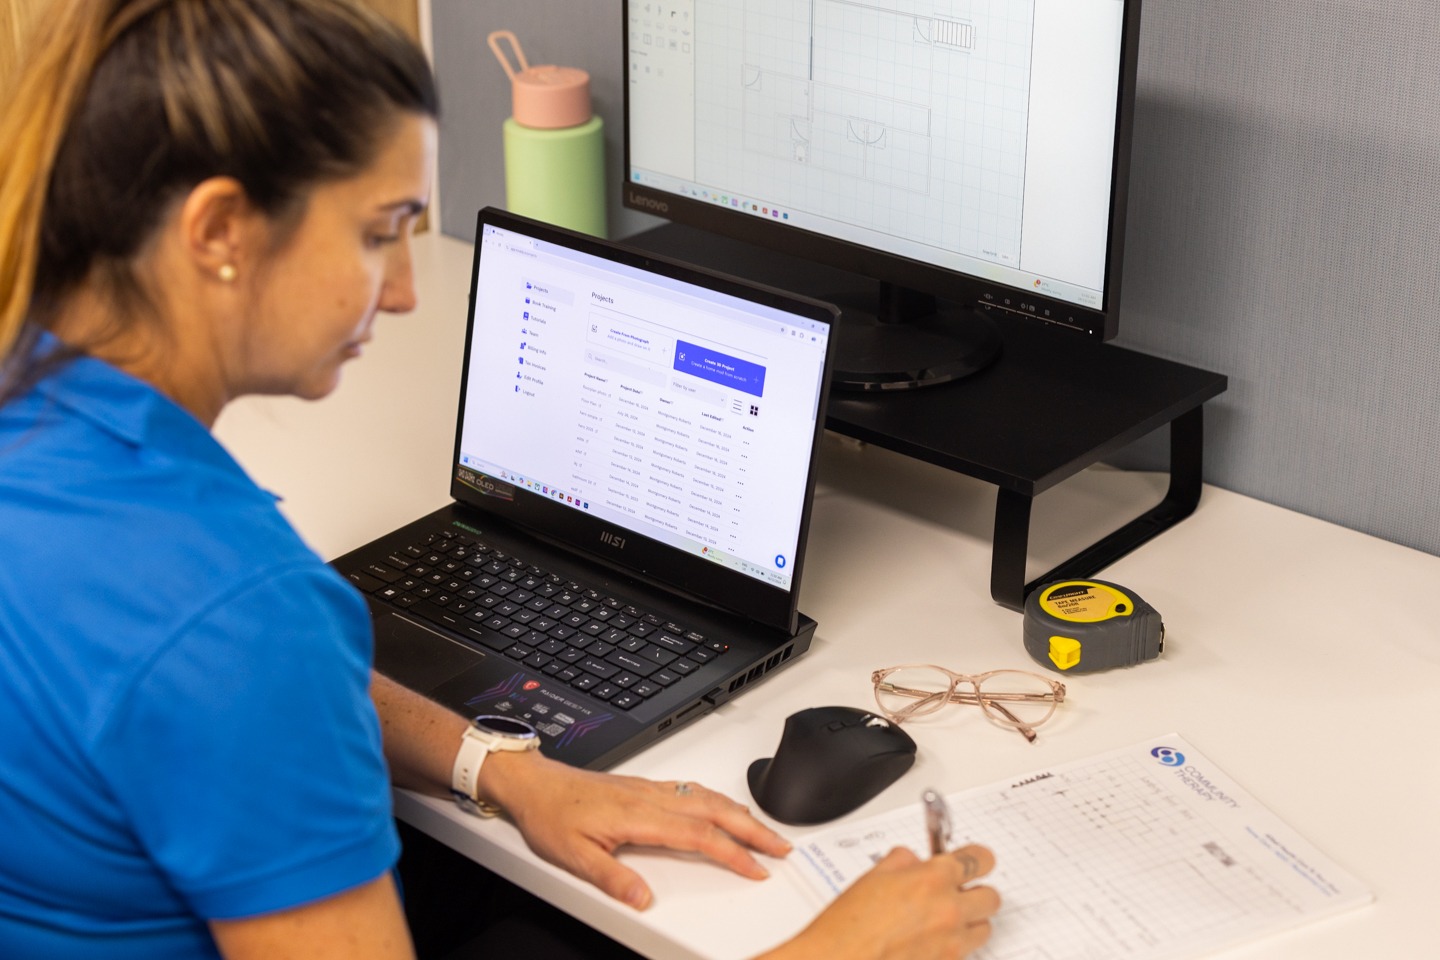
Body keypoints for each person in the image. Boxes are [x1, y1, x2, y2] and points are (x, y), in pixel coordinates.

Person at [0, 2, 1001, 959]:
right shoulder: (237, 615)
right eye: (379, 229)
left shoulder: (31, 403)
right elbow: (243, 672)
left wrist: (500, 768)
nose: (401, 290)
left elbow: (232, 698)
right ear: (219, 232)